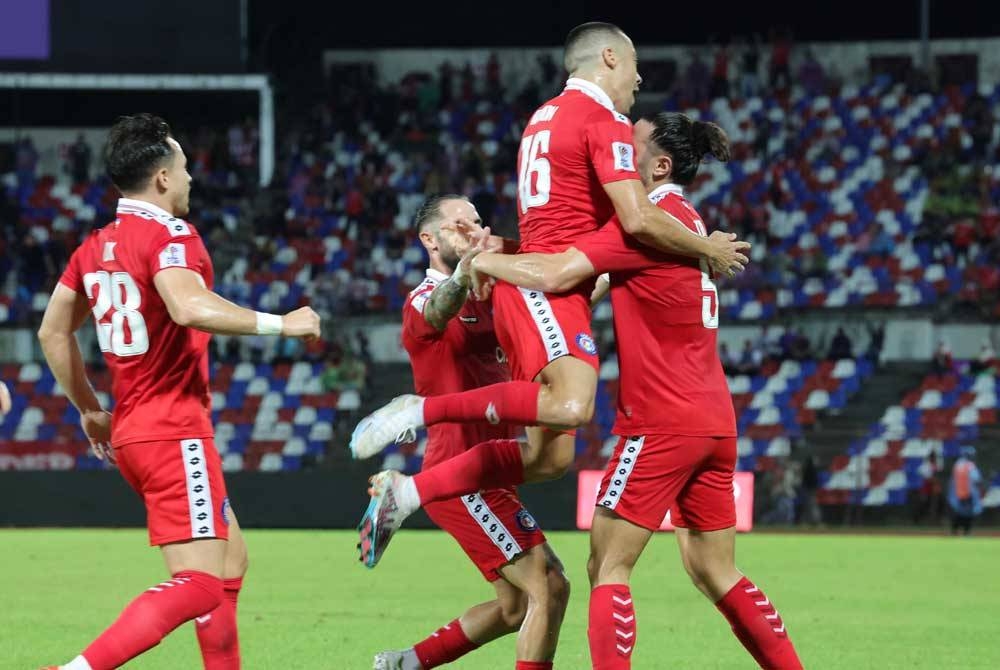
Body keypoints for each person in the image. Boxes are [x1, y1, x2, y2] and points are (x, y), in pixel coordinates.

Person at [352, 22, 749, 559]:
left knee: (550, 459)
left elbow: (570, 224)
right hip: (545, 287)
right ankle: (418, 412)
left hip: (548, 282)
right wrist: (707, 249)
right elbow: (632, 220)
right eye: (634, 66)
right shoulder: (604, 118)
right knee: (569, 406)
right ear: (609, 58)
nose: (639, 80)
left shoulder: (544, 116)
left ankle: (410, 491)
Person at [465, 112, 803, 669]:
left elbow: (555, 275)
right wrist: (504, 245)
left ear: (660, 164)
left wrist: (484, 261)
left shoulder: (643, 222)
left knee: (608, 565)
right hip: (714, 420)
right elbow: (582, 273)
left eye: (631, 146)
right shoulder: (683, 220)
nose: (618, 152)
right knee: (714, 570)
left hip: (661, 420)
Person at [37, 114, 320, 670]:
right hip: (173, 430)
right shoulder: (168, 234)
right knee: (199, 587)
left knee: (230, 561)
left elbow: (52, 331)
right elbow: (188, 306)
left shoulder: (94, 246)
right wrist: (281, 324)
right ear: (162, 178)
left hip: (136, 434)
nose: (191, 178)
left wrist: (92, 411)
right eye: (185, 168)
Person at [368, 195, 569, 670]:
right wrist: (464, 274)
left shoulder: (494, 295)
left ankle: (405, 663)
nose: (473, 229)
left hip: (496, 469)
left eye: (478, 221)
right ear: (429, 240)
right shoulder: (424, 298)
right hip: (462, 474)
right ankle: (403, 492)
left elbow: (560, 298)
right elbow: (438, 309)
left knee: (515, 606)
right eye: (459, 224)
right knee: (550, 585)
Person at [948, 447, 983, 536]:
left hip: (957, 493)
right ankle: (966, 532)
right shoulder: (970, 466)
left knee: (958, 513)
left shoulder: (957, 464)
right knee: (968, 514)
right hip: (968, 493)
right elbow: (976, 479)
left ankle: (954, 531)